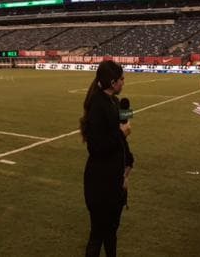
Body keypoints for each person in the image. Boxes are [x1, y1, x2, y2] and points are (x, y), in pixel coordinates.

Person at [80, 60, 132, 257]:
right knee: (98, 234)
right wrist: (122, 134)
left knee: (111, 232)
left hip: (114, 179)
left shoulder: (116, 102)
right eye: (121, 79)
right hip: (100, 182)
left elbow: (121, 134)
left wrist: (129, 162)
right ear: (112, 82)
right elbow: (96, 147)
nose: (124, 82)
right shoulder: (98, 105)